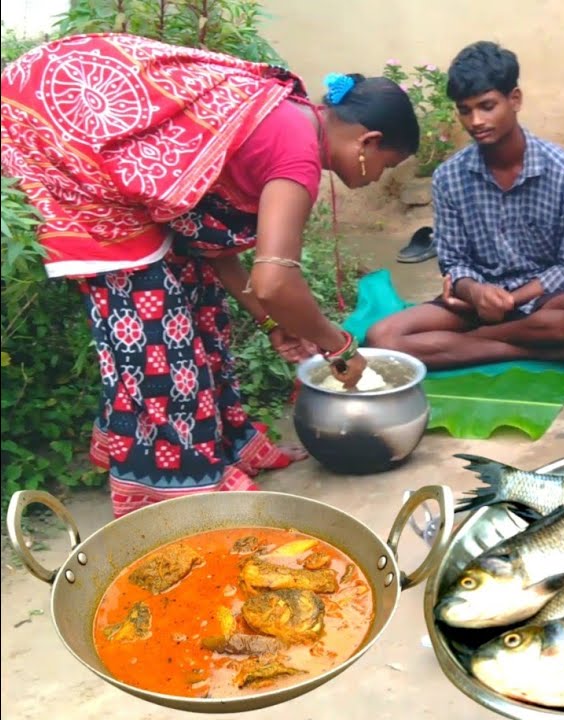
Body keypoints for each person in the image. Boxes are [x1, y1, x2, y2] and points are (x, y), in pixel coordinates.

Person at [0, 33, 419, 517]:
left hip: (69, 122)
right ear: (369, 142)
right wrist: (338, 345)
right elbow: (275, 281)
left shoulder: (289, 117)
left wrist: (270, 321)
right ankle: (178, 489)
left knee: (197, 296)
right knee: (157, 337)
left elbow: (215, 251)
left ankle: (218, 450)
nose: (378, 177)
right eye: (388, 165)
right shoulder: (297, 153)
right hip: (68, 146)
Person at [365, 41, 564, 369]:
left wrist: (512, 299)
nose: (476, 121)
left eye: (487, 106)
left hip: (540, 304)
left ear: (515, 100)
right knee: (382, 338)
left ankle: (468, 345)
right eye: (465, 110)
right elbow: (453, 261)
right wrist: (475, 292)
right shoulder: (449, 177)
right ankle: (531, 350)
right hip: (474, 306)